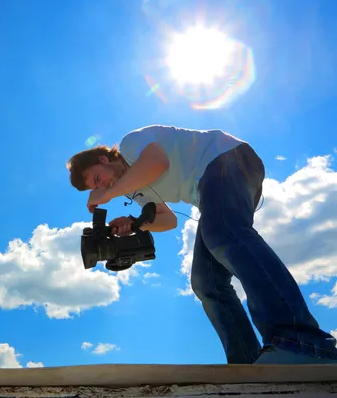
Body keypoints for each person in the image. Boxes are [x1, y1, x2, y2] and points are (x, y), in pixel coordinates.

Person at [66, 124, 337, 365]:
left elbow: (157, 163)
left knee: (223, 234)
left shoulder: (130, 144)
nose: (104, 186)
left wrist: (109, 192)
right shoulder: (134, 188)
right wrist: (134, 223)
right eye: (98, 186)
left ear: (103, 159)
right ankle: (247, 363)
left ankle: (301, 341)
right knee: (206, 282)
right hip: (215, 191)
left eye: (98, 179)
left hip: (227, 160)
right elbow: (167, 220)